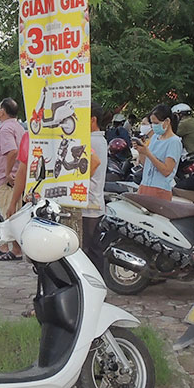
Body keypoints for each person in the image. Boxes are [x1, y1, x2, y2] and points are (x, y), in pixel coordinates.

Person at [0, 98, 24, 261]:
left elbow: (12, 151)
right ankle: (5, 246)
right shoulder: (18, 127)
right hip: (15, 177)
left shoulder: (5, 129)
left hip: (7, 179)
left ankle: (15, 249)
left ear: (2, 111)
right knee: (12, 213)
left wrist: (8, 173)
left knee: (10, 213)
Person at [134, 104, 183, 201]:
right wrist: (141, 151)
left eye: (156, 123)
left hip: (160, 190)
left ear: (167, 121)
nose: (153, 126)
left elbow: (166, 171)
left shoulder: (174, 142)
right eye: (152, 123)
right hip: (144, 186)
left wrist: (148, 153)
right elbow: (145, 163)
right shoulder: (154, 138)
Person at [83, 103, 111, 271]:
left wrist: (79, 179)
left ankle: (94, 286)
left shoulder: (91, 140)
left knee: (89, 251)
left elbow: (94, 163)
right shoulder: (99, 139)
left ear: (93, 120)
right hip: (94, 202)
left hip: (89, 203)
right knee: (93, 249)